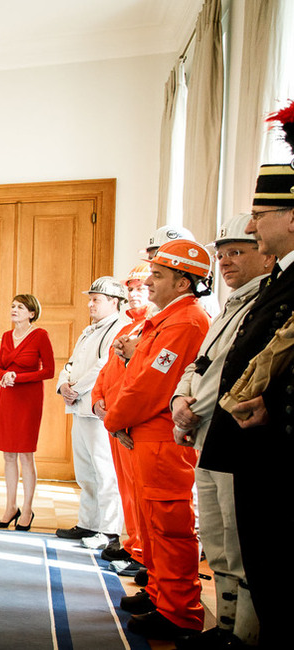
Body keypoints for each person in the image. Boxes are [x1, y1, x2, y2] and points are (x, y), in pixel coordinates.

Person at [199, 158, 294, 648]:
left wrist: (271, 408)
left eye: (260, 216)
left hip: (267, 445)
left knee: (254, 553)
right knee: (231, 546)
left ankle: (243, 635)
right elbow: (211, 363)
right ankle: (231, 629)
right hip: (229, 436)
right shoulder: (270, 288)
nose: (255, 225)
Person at [169, 214, 271, 649]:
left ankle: (244, 636)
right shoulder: (229, 306)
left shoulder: (264, 303)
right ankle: (224, 627)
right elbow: (198, 367)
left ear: (263, 255)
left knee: (239, 541)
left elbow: (234, 375)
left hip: (234, 435)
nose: (227, 262)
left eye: (237, 252)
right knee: (215, 537)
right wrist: (179, 401)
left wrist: (193, 409)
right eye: (222, 254)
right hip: (206, 435)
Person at [104, 239, 212, 641]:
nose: (149, 281)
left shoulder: (185, 323)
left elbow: (151, 384)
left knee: (169, 525)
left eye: (159, 275)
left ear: (183, 282)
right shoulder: (167, 319)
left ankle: (180, 612)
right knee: (152, 524)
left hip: (162, 437)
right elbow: (138, 372)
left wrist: (115, 418)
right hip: (144, 433)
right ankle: (159, 593)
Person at [55, 277, 126, 548]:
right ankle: (88, 523)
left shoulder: (119, 328)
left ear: (113, 302)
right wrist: (64, 384)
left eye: (96, 299)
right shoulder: (89, 330)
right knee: (85, 470)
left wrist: (76, 388)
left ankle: (109, 531)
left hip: (97, 408)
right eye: (90, 298)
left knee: (104, 471)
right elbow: (72, 362)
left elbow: (103, 366)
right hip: (78, 407)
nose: (90, 304)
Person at [92, 263, 153, 576]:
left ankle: (143, 551)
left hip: (134, 425)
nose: (134, 294)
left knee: (142, 494)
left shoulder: (153, 327)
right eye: (130, 289)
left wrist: (118, 417)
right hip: (116, 421)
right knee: (128, 492)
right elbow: (108, 370)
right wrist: (98, 400)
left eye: (140, 287)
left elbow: (147, 378)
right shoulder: (129, 327)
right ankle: (134, 545)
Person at [0, 294, 54, 532]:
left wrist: (19, 377)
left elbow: (48, 371)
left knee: (26, 454)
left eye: (20, 307)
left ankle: (27, 509)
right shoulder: (7, 336)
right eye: (13, 306)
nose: (14, 309)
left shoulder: (40, 336)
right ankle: (10, 507)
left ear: (31, 313)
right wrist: (4, 376)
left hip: (29, 398)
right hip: (8, 397)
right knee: (8, 454)